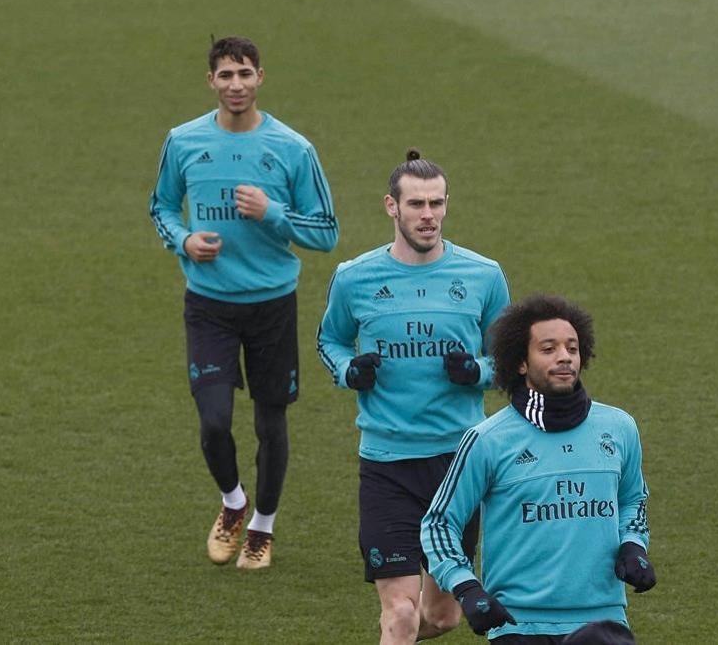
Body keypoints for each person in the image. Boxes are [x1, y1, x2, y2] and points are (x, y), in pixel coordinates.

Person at [148, 36, 338, 570]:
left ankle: (262, 528)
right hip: (208, 304)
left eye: (245, 74)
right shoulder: (183, 141)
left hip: (272, 307)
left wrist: (272, 212)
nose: (236, 85)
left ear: (261, 78)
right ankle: (234, 502)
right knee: (213, 421)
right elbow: (161, 205)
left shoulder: (293, 148)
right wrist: (182, 239)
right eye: (226, 75)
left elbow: (326, 232)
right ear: (211, 80)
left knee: (270, 422)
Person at [317, 150, 511, 644]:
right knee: (400, 613)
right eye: (417, 204)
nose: (429, 215)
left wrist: (477, 371)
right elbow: (330, 341)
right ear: (391, 207)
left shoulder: (484, 276)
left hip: (458, 465)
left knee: (442, 617)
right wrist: (348, 370)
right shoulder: (355, 277)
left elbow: (508, 360)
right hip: (387, 462)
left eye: (437, 203)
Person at [422, 294, 655, 644]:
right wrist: (465, 586)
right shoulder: (488, 440)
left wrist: (633, 545)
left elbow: (633, 500)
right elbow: (439, 522)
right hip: (519, 626)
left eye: (572, 348)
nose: (564, 357)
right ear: (520, 362)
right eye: (548, 349)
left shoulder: (619, 428)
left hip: (603, 620)